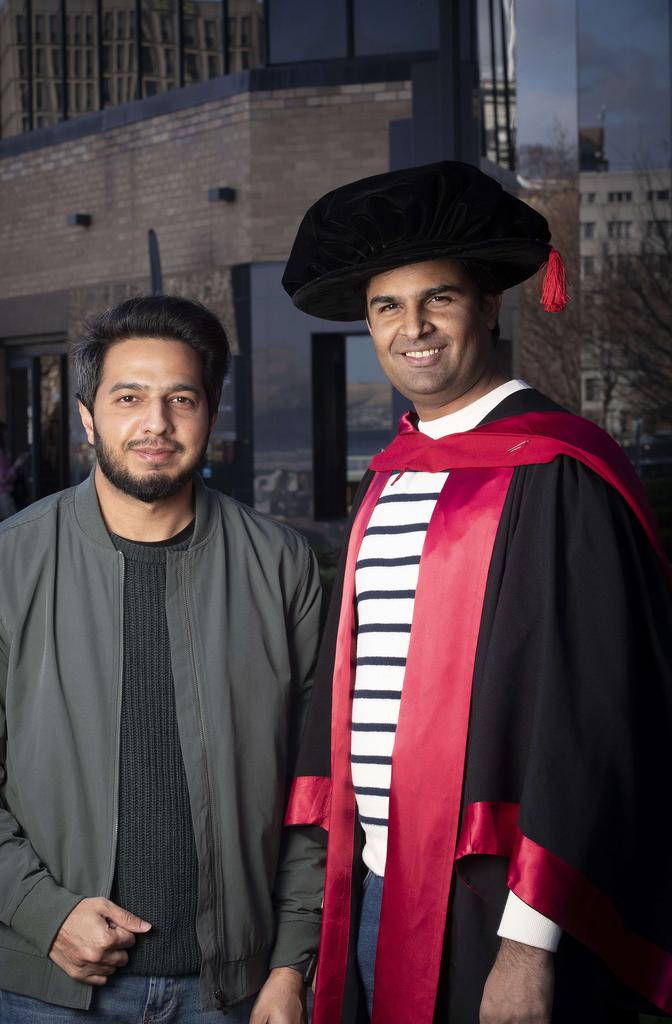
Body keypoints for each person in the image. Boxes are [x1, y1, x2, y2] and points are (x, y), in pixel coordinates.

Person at [280, 162, 672, 1023]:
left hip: (501, 903)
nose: (412, 328)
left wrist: (528, 947)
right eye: (387, 307)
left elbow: (592, 715)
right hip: (377, 882)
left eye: (439, 300)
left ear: (490, 306)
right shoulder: (389, 477)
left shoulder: (559, 472)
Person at [0, 296, 324, 1023]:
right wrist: (42, 910)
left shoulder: (282, 566)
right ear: (88, 416)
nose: (155, 423)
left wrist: (292, 962)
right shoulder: (5, 564)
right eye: (129, 397)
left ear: (211, 411)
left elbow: (318, 783)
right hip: (53, 987)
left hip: (232, 992)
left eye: (180, 399)